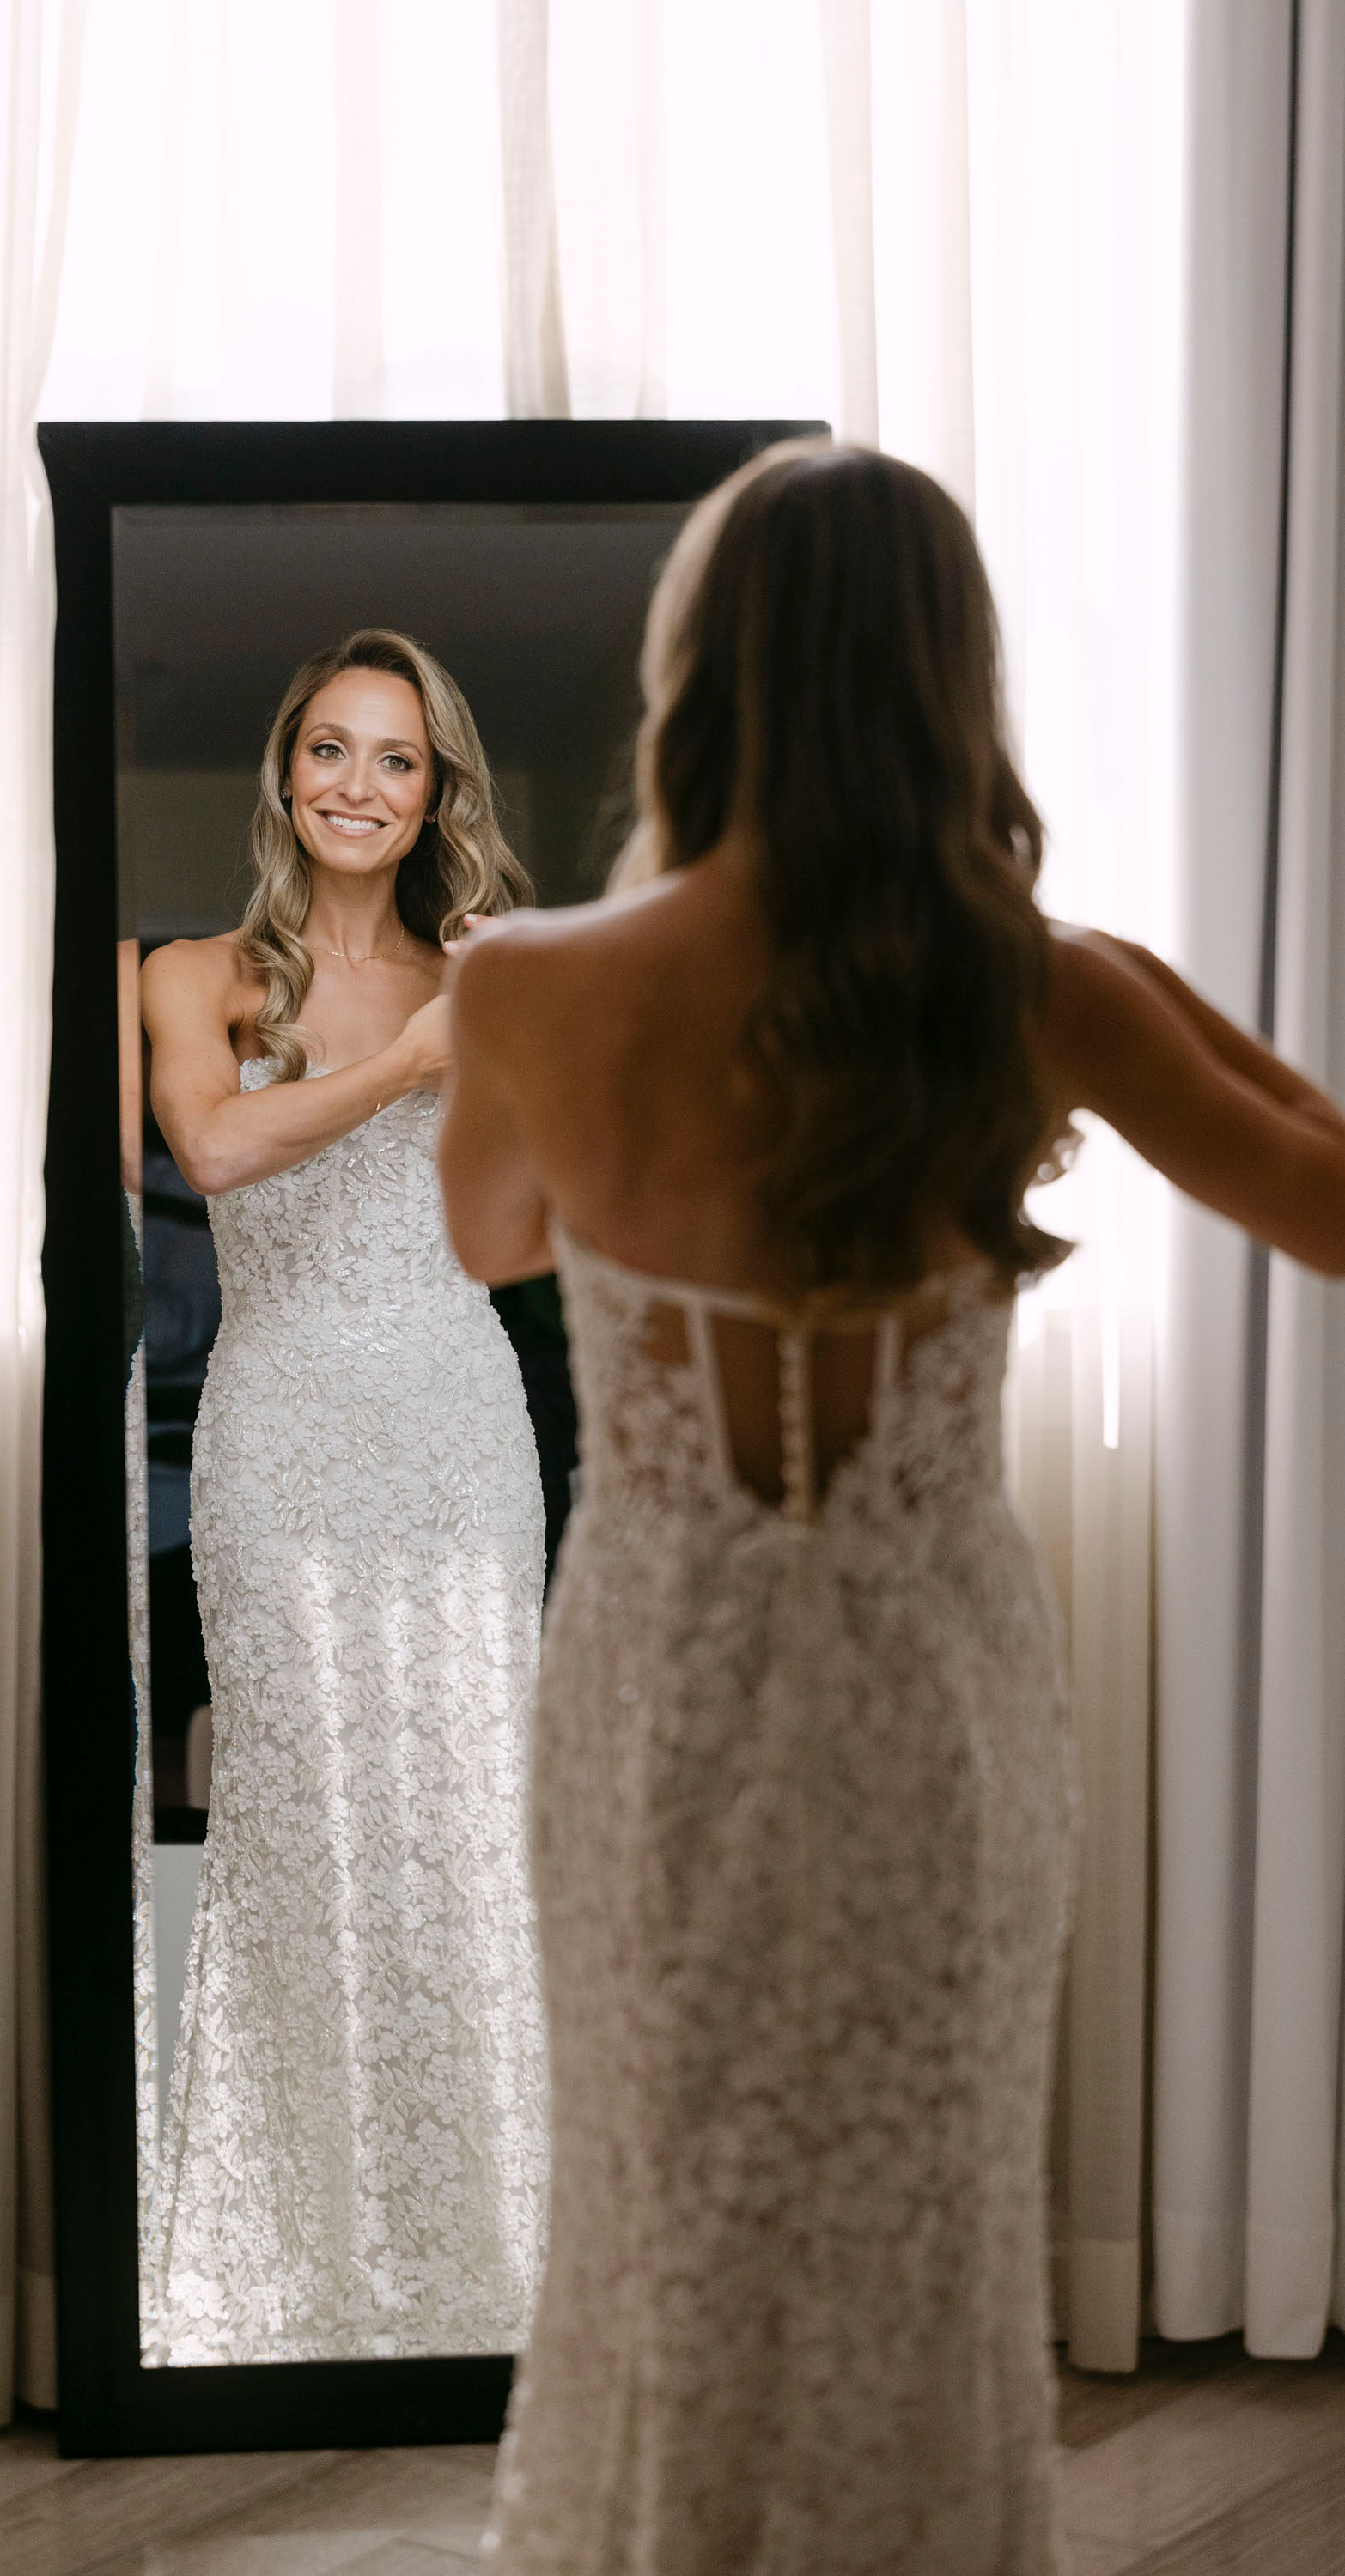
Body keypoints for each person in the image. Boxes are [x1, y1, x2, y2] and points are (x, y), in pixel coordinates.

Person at [438, 443, 1345, 2572]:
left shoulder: (530, 985)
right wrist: (1128, 987)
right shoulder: (1035, 990)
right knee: (917, 2209)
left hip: (659, 1692)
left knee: (665, 2187)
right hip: (930, 1695)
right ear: (953, 683)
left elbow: (491, 1241)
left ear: (700, 675)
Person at [141, 628, 548, 2365]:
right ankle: (292, 2275)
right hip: (281, 1432)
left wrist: (525, 1048)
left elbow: (524, 1234)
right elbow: (215, 1150)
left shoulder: (493, 980)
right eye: (330, 747)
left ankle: (489, 2271)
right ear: (285, 770)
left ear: (437, 792)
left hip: (458, 1426)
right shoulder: (191, 974)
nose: (356, 785)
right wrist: (407, 1062)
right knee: (302, 1820)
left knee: (468, 1825)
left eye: (395, 758)